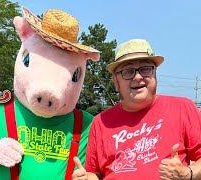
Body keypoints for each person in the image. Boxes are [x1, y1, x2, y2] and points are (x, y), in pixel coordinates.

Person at [72, 39, 201, 179]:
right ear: (115, 82)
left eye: (145, 69)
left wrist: (188, 174)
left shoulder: (182, 108)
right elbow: (95, 173)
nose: (138, 77)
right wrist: (85, 178)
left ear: (155, 74)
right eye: (128, 71)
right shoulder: (100, 122)